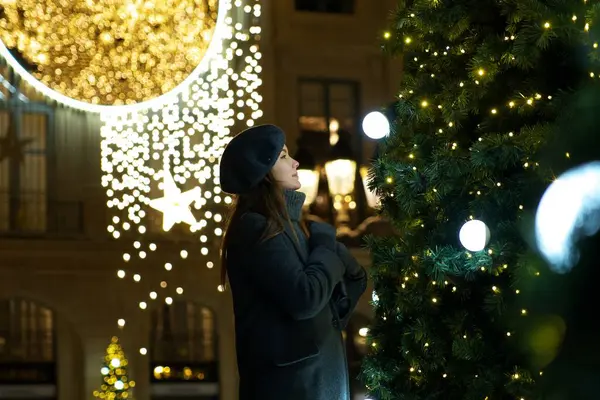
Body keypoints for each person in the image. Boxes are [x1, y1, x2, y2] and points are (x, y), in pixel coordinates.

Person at [218, 124, 368, 400]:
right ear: (262, 171)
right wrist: (324, 247)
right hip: (293, 387)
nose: (295, 161)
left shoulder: (297, 227)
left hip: (316, 382)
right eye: (283, 156)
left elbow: (331, 303)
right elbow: (305, 298)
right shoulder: (254, 227)